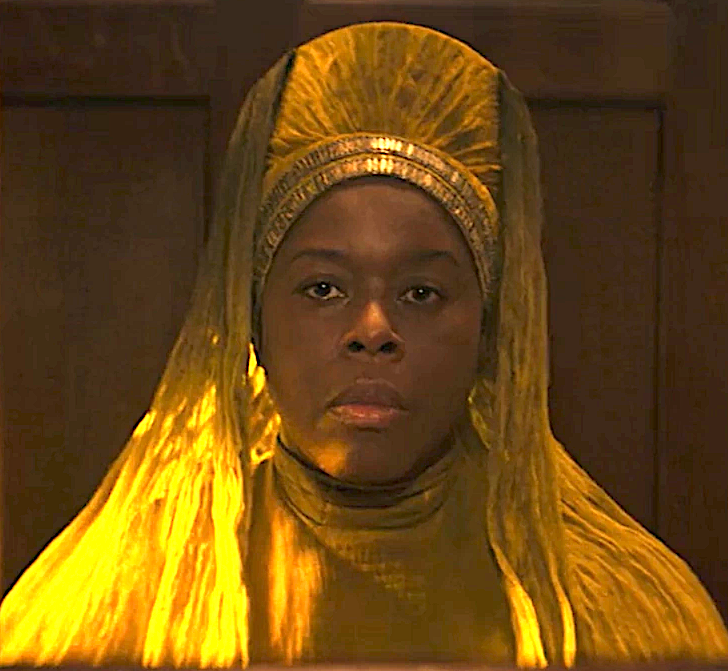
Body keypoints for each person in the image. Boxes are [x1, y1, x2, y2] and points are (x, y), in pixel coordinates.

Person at [1, 21, 727, 668]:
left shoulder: (622, 615)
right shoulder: (111, 609)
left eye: (421, 293)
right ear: (252, 315)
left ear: (490, 327)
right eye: (323, 288)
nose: (373, 330)